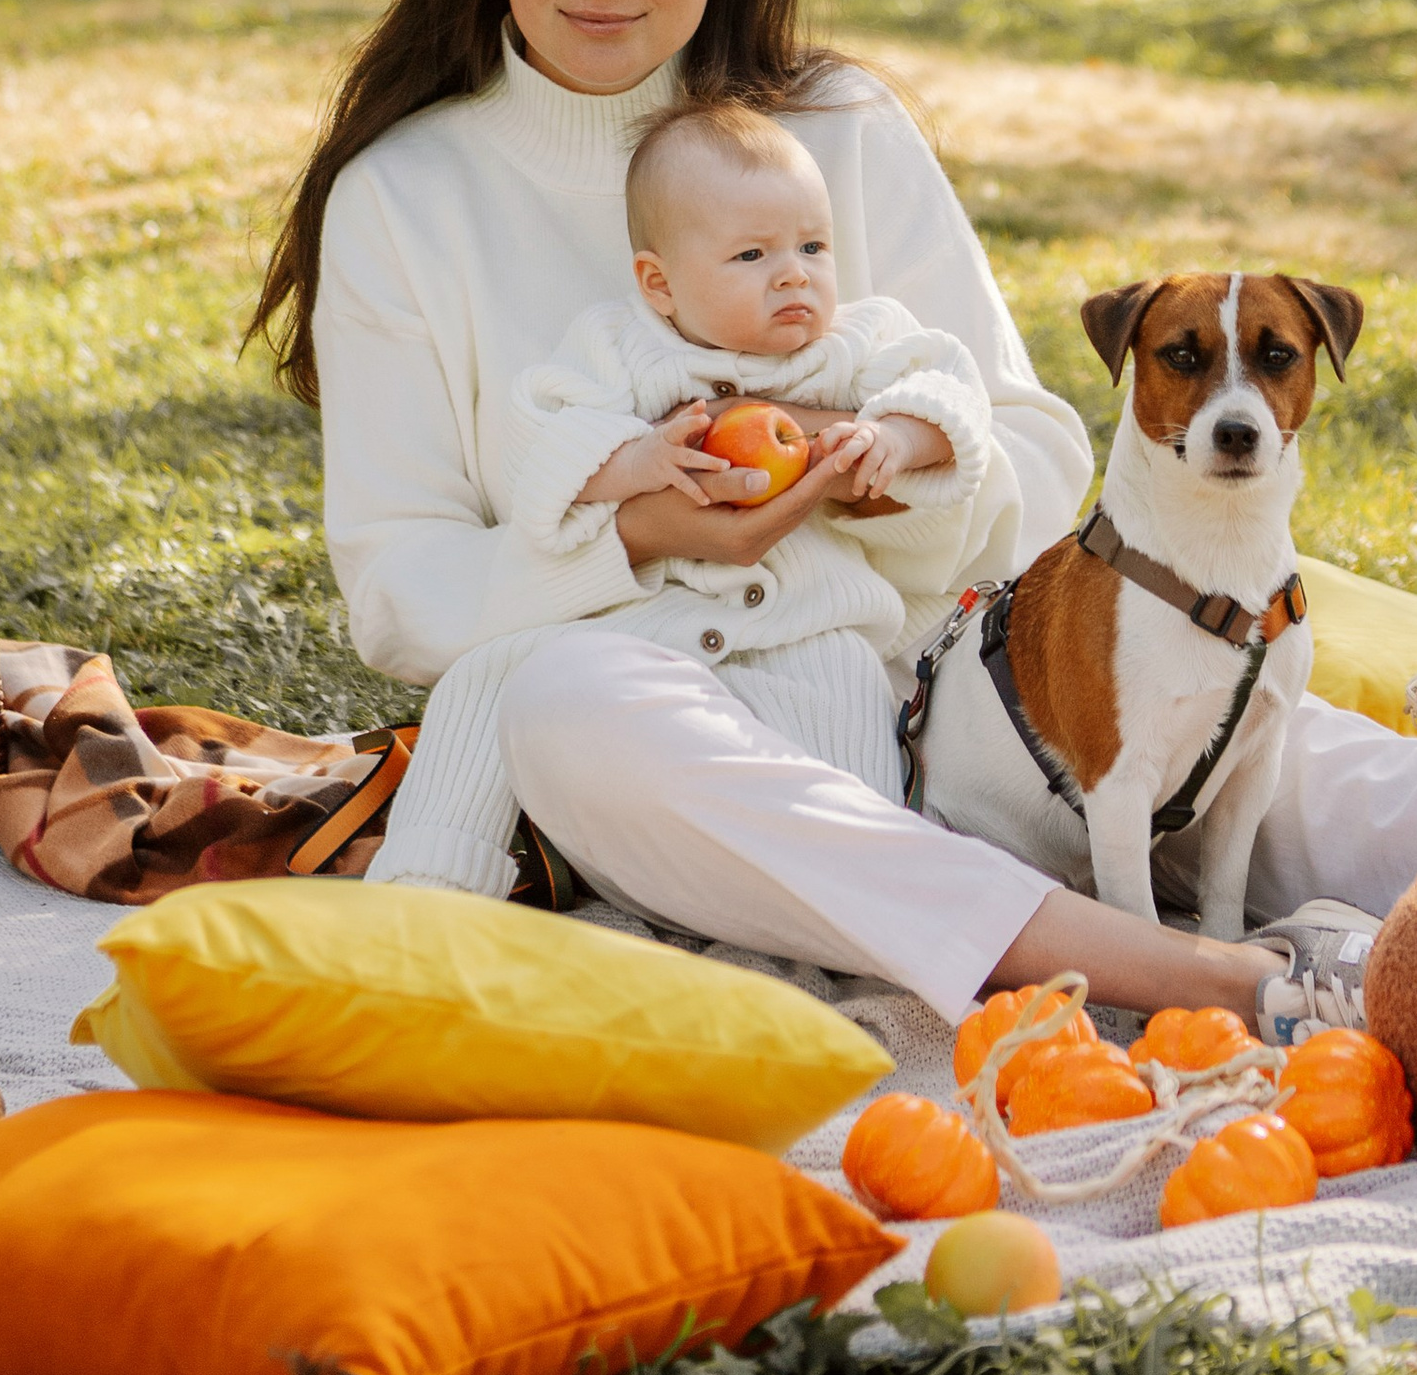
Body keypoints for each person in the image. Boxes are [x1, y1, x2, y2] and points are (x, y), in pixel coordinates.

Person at [248, 0, 1417, 1035]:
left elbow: (1040, 460)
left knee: (1383, 798)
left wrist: (873, 473)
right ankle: (1200, 978)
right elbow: (402, 588)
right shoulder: (407, 198)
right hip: (680, 744)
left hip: (967, 700)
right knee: (561, 705)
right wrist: (632, 535)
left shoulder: (838, 129)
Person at [365, 92, 1001, 896]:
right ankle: (430, 881)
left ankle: (863, 890)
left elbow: (950, 393)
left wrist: (896, 438)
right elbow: (537, 441)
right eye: (752, 255)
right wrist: (635, 459)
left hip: (809, 628)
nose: (794, 273)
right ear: (659, 284)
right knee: (487, 675)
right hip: (649, 632)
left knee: (839, 741)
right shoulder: (619, 347)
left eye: (813, 245)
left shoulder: (856, 342)